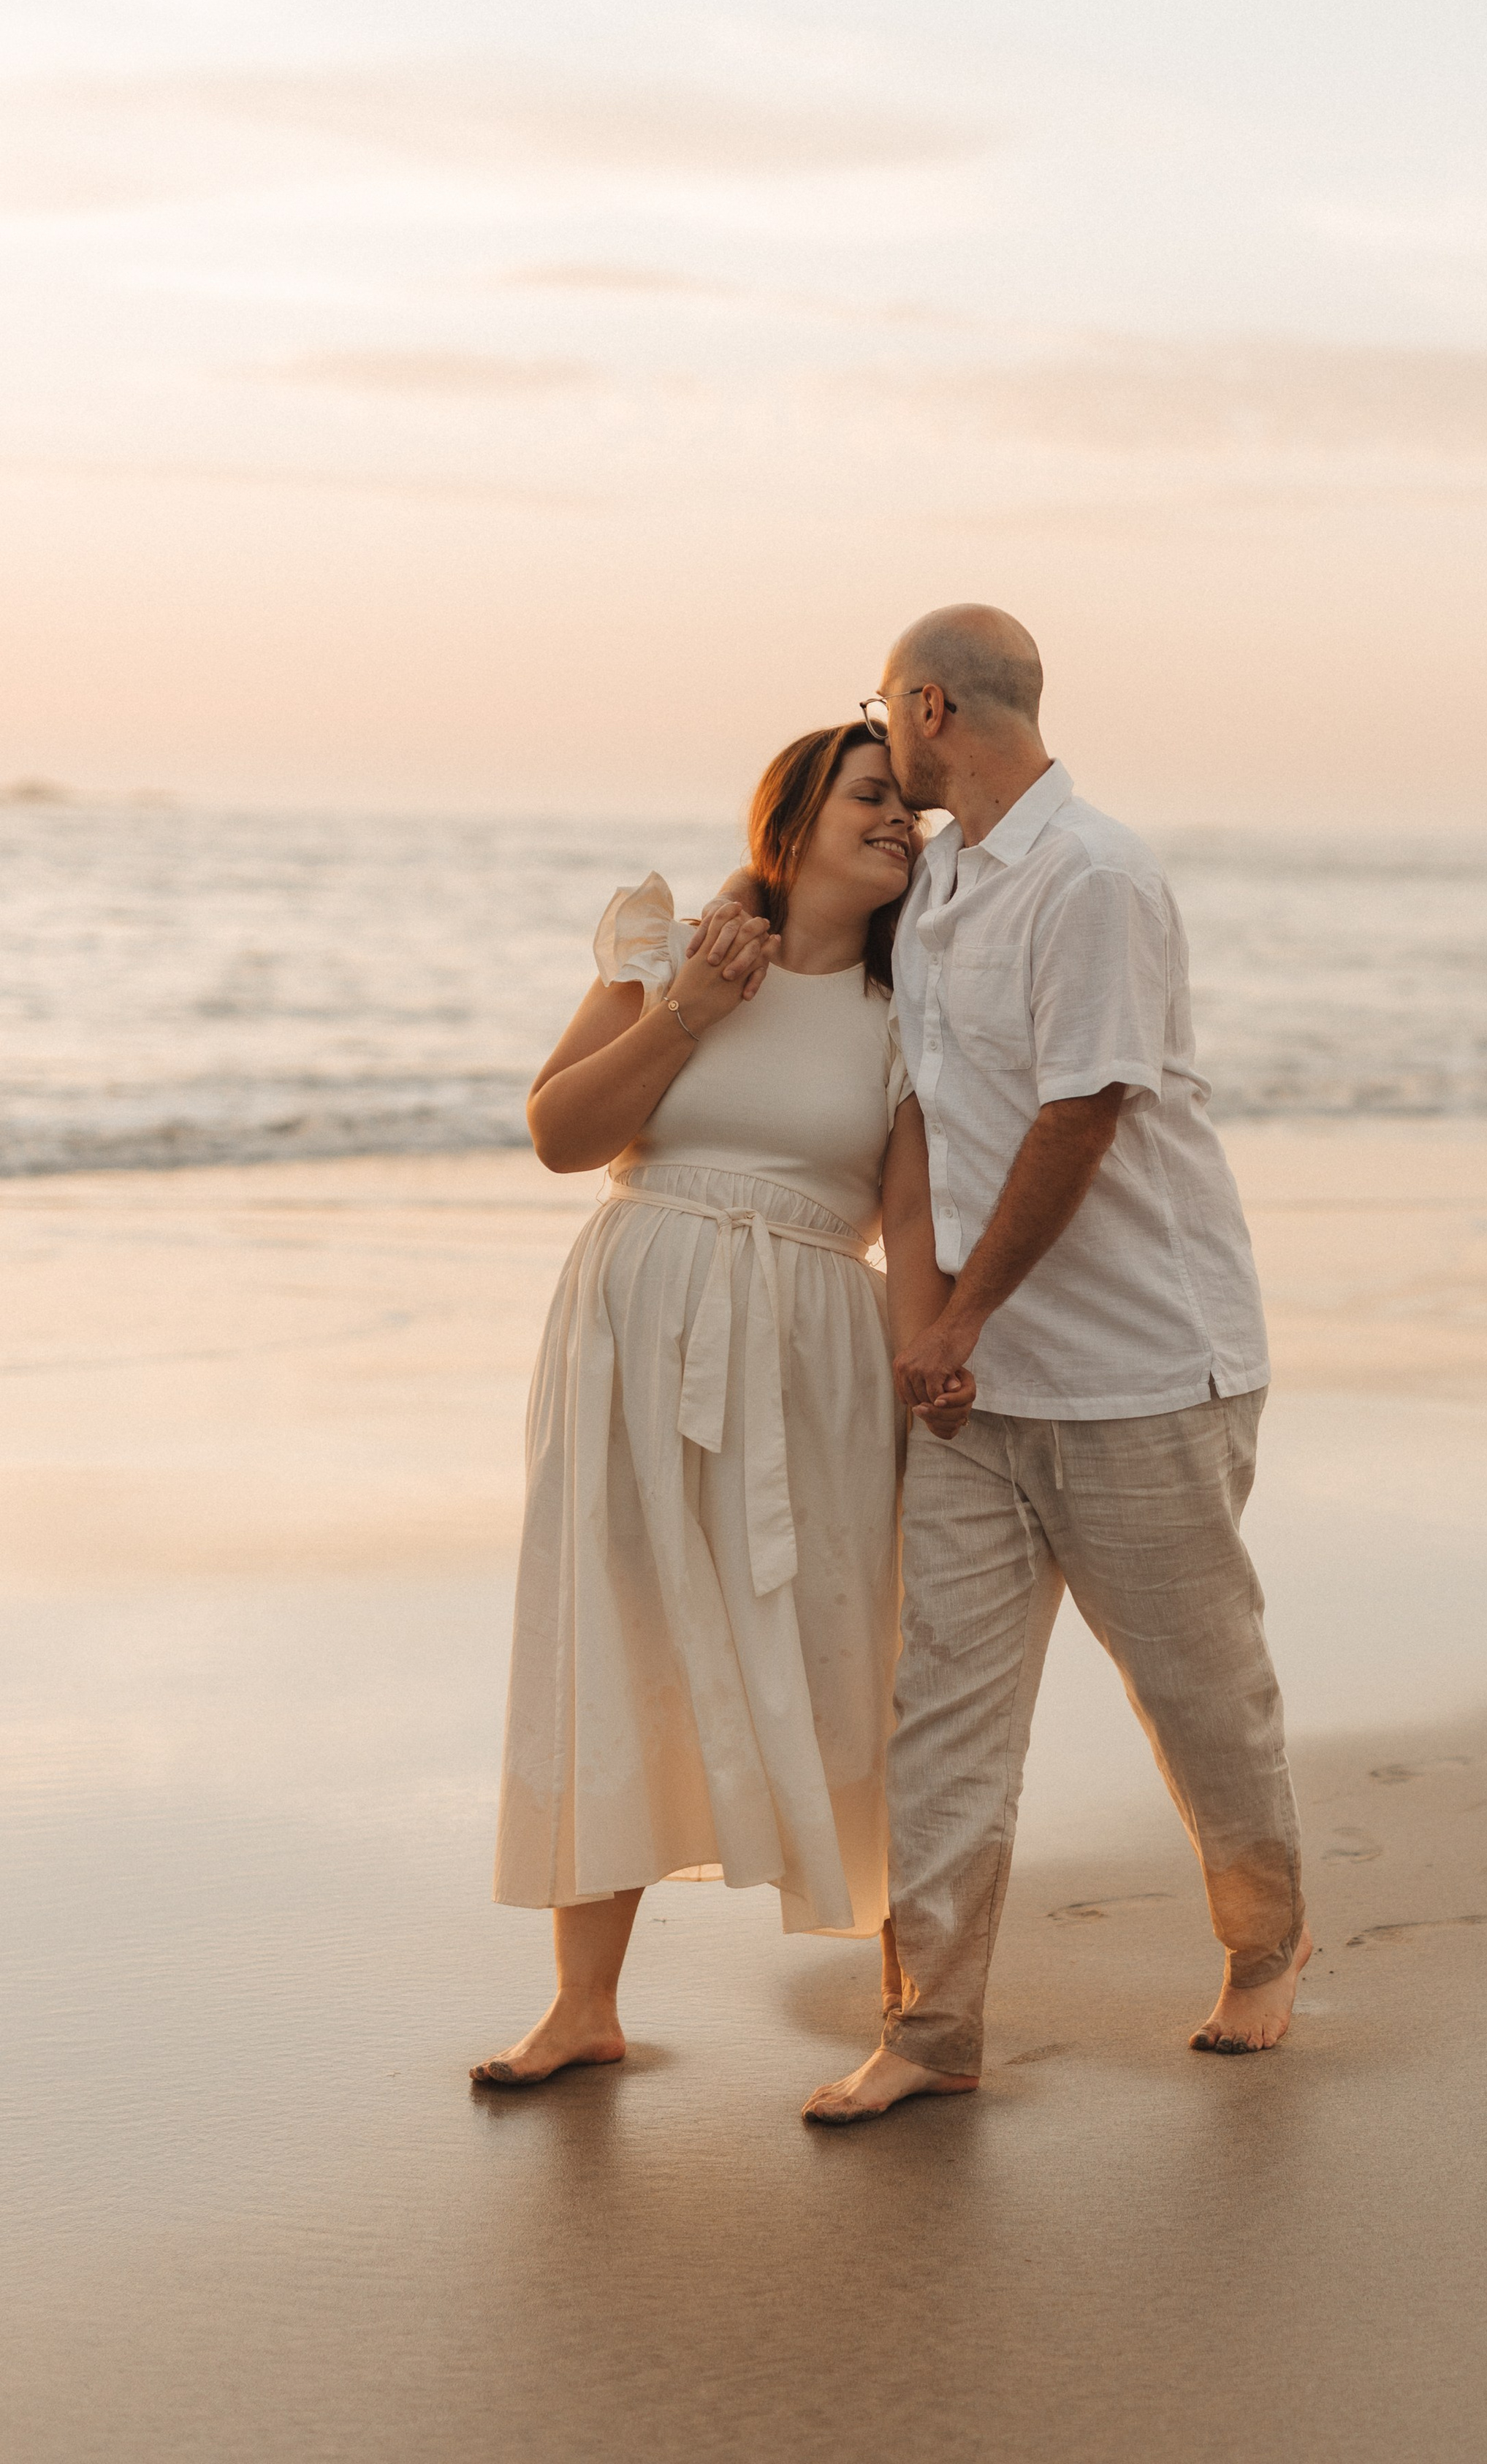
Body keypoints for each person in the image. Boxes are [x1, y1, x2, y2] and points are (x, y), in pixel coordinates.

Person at [800, 607, 1309, 2126]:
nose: (883, 740)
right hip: (977, 1388)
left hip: (1141, 1368)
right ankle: (929, 2027)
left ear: (931, 704)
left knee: (1197, 1692)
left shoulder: (1091, 876)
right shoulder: (945, 872)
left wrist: (951, 1318)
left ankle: (1263, 1948)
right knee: (941, 1711)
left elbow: (1078, 1115)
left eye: (885, 713)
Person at [471, 726, 973, 2088]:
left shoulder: (913, 1008)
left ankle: (911, 2009)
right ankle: (584, 2008)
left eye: (910, 814)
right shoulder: (671, 949)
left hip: (813, 1343)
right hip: (632, 1329)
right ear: (793, 817)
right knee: (612, 1619)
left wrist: (939, 1366)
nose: (901, 826)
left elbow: (915, 1209)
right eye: (873, 800)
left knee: (835, 1642)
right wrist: (689, 1005)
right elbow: (563, 1134)